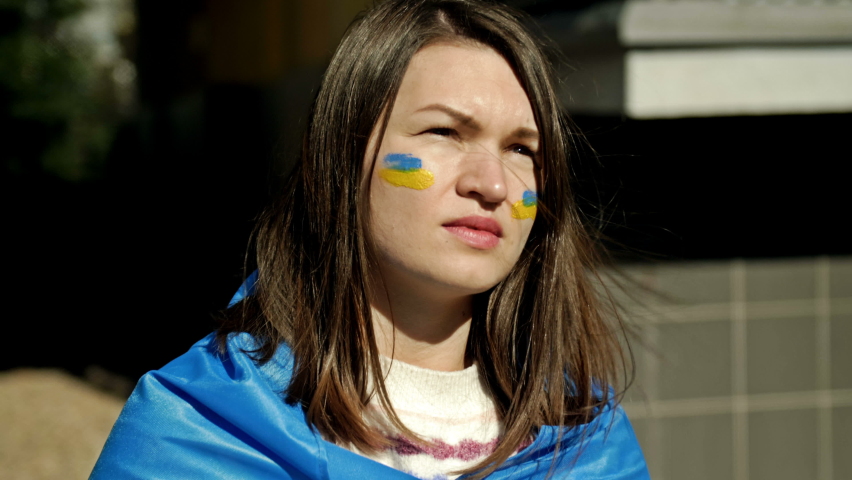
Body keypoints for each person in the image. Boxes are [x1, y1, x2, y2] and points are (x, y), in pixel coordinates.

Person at [91, 0, 650, 478]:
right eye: (445, 132)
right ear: (341, 156)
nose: (494, 184)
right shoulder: (198, 434)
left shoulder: (587, 447)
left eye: (522, 149)